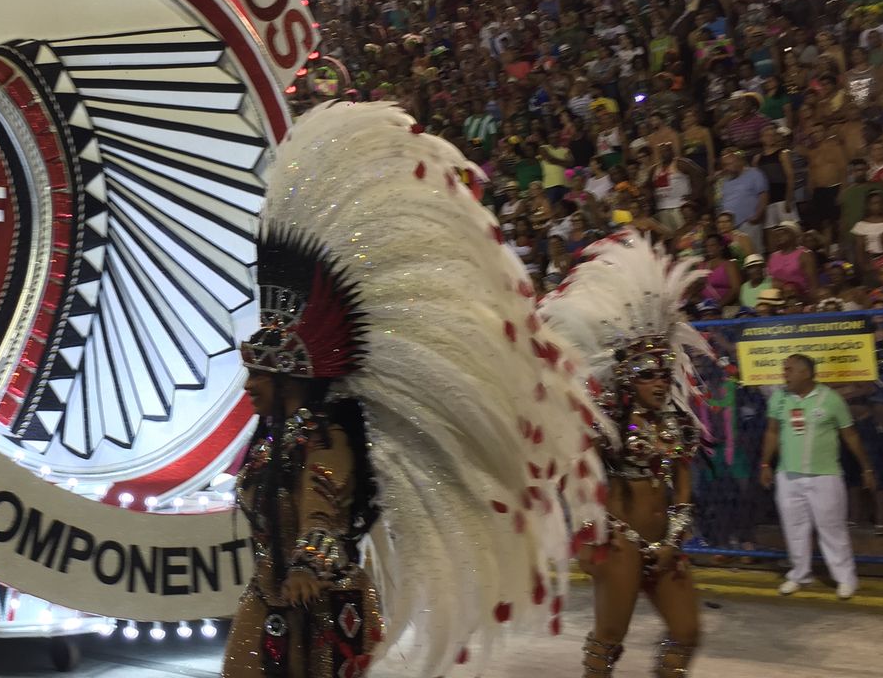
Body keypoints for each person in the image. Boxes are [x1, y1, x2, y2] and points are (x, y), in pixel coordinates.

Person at [222, 103, 605, 677]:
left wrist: (308, 562)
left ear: (290, 376)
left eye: (259, 374)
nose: (249, 385)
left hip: (321, 611)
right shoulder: (274, 440)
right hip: (271, 606)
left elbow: (325, 513)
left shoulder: (324, 439)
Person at [540, 231, 707, 677]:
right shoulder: (606, 421)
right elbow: (574, 474)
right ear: (628, 377)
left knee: (687, 631)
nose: (659, 381)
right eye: (648, 373)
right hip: (620, 542)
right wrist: (590, 529)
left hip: (664, 541)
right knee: (609, 637)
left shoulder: (677, 423)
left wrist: (673, 537)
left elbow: (683, 485)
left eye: (664, 372)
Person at [759, 355, 875, 600]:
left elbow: (850, 435)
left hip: (825, 477)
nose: (784, 374)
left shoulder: (830, 399)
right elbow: (772, 432)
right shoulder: (779, 398)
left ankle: (845, 579)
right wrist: (766, 463)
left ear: (806, 373)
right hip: (788, 476)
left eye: (790, 370)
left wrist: (866, 468)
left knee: (832, 529)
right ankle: (800, 574)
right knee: (794, 528)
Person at [714, 149, 770, 253]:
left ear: (739, 162)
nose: (726, 168)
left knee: (754, 254)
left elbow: (763, 195)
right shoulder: (724, 180)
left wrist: (757, 215)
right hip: (729, 227)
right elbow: (720, 201)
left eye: (729, 164)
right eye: (724, 165)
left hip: (748, 222)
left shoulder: (754, 173)